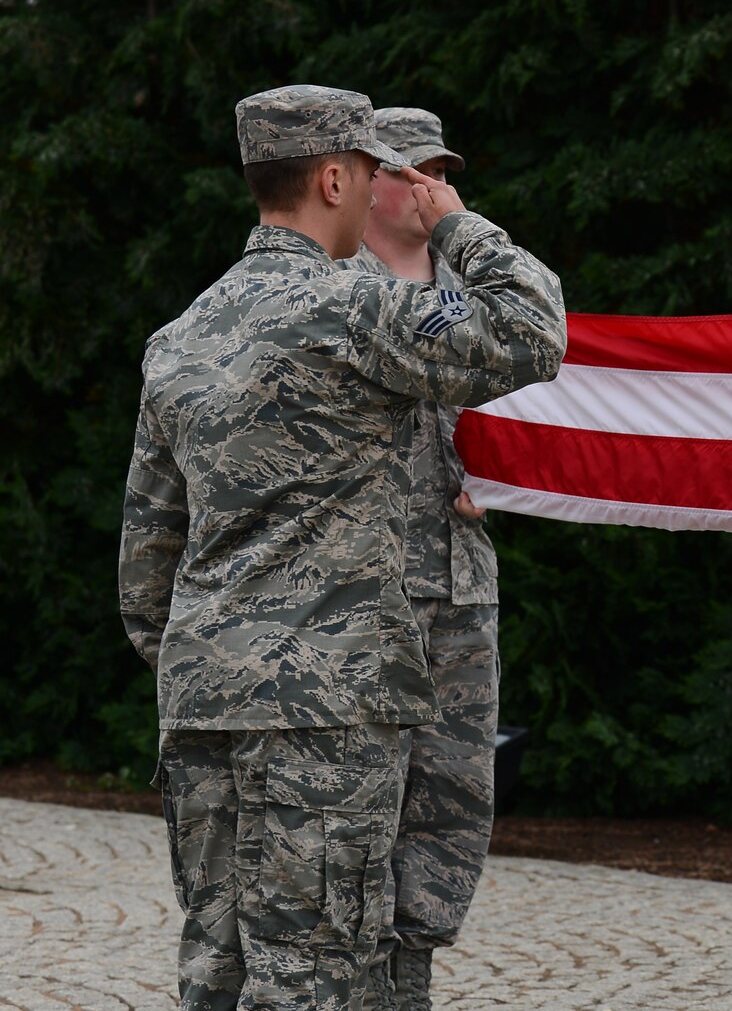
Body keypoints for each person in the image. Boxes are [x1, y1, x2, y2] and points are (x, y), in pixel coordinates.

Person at [119, 84, 567, 1011]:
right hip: (326, 712)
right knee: (316, 974)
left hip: (202, 704)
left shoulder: (178, 336)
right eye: (370, 173)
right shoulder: (351, 309)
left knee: (217, 962)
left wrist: (212, 668)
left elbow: (145, 564)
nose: (376, 194)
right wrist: (458, 224)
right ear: (332, 177)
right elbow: (530, 328)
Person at [343, 107, 503, 1010]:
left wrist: (517, 481)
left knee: (451, 802)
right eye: (417, 170)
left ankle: (410, 984)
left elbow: (532, 405)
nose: (435, 187)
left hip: (463, 581)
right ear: (371, 179)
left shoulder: (479, 287)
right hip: (365, 590)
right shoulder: (334, 286)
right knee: (359, 804)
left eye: (444, 168)